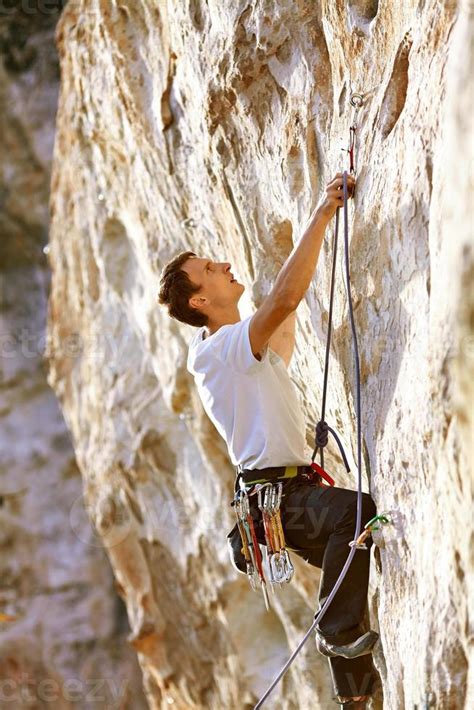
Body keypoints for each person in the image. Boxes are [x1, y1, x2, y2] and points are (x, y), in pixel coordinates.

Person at [158, 173, 379, 708]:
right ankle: (340, 639)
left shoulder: (242, 347)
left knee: (350, 527)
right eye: (210, 270)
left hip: (282, 498)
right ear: (200, 301)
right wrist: (323, 211)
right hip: (281, 499)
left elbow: (285, 313)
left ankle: (356, 690)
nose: (224, 266)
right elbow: (283, 299)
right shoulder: (217, 351)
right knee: (355, 514)